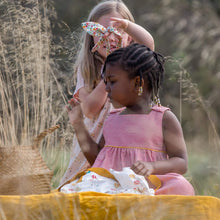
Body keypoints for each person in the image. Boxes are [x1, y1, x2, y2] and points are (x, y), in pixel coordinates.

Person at [62, 43, 195, 195]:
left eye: (112, 81)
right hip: (114, 187)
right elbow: (97, 159)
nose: (106, 88)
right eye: (106, 82)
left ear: (137, 82)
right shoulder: (112, 119)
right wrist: (78, 124)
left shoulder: (164, 118)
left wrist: (152, 166)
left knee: (181, 186)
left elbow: (181, 162)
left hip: (150, 187)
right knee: (79, 187)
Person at [60, 0, 154, 185]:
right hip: (96, 141)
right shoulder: (87, 68)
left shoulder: (134, 62)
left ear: (130, 37)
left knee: (128, 182)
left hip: (127, 138)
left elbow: (149, 44)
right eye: (101, 32)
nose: (110, 37)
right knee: (90, 183)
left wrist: (127, 27)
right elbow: (90, 109)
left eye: (117, 31)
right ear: (92, 36)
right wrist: (111, 72)